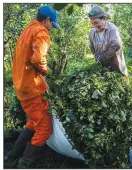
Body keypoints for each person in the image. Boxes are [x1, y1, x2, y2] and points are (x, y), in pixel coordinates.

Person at [4, 5, 60, 168]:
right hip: (33, 88)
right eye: (52, 24)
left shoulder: (28, 30)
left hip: (22, 86)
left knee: (34, 121)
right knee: (44, 128)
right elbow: (38, 58)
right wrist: (45, 71)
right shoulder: (41, 32)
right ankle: (24, 163)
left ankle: (12, 154)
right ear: (47, 20)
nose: (51, 27)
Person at [88, 6, 128, 77]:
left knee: (119, 85)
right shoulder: (92, 32)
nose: (94, 26)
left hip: (115, 66)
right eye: (92, 23)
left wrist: (104, 57)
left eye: (96, 23)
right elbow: (91, 46)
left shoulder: (112, 29)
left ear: (104, 18)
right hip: (101, 67)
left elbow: (116, 44)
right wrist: (96, 56)